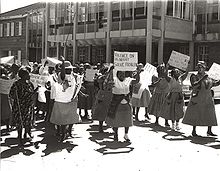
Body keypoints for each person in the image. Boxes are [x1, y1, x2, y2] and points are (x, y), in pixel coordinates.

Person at [182, 61, 220, 136]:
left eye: (201, 67)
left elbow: (214, 84)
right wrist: (202, 79)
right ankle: (194, 131)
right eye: (198, 67)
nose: (199, 68)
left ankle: (209, 130)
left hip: (207, 97)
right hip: (198, 97)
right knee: (196, 113)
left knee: (210, 113)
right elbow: (194, 85)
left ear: (205, 68)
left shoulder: (208, 77)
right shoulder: (194, 76)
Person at [50, 58, 81, 142]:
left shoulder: (73, 77)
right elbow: (62, 76)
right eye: (68, 69)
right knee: (60, 120)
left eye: (71, 69)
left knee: (65, 120)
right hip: (60, 101)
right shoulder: (61, 76)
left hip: (68, 101)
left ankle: (64, 132)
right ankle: (61, 132)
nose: (70, 70)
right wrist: (63, 63)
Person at [106, 68, 140, 142]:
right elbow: (108, 85)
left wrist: (138, 72)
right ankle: (116, 134)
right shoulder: (114, 80)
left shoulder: (128, 80)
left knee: (127, 119)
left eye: (123, 74)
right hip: (116, 103)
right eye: (120, 74)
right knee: (116, 120)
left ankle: (126, 134)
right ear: (117, 75)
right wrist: (111, 72)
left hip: (126, 102)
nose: (122, 75)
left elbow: (136, 81)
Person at [9, 68, 38, 145]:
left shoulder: (29, 84)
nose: (29, 75)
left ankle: (26, 134)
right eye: (27, 74)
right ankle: (19, 138)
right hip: (19, 107)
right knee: (20, 122)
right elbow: (11, 95)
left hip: (28, 106)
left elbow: (31, 93)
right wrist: (17, 96)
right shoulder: (16, 84)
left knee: (27, 122)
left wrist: (36, 90)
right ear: (23, 75)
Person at [162, 66, 189, 130]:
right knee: (172, 110)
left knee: (179, 110)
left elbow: (186, 73)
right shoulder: (170, 79)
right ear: (173, 73)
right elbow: (165, 75)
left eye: (178, 71)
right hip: (172, 96)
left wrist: (187, 65)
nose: (178, 72)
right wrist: (167, 67)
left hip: (179, 95)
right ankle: (173, 124)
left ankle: (177, 124)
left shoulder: (181, 78)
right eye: (176, 72)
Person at [92, 66, 113, 132]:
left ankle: (112, 125)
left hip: (111, 95)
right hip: (103, 95)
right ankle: (100, 127)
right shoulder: (103, 77)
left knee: (111, 111)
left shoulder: (115, 78)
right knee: (101, 110)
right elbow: (99, 83)